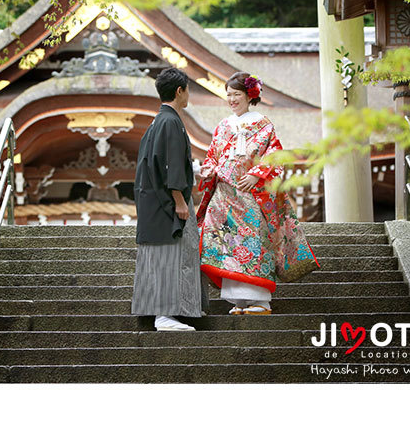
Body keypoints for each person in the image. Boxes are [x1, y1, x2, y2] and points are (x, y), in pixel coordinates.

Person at [197, 72, 318, 315]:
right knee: (226, 244)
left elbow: (275, 156)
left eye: (236, 94)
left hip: (251, 194)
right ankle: (239, 301)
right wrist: (208, 169)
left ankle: (260, 300)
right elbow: (213, 155)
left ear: (250, 95)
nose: (231, 99)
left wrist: (256, 175)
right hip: (224, 195)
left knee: (253, 241)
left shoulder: (263, 124)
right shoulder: (223, 126)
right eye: (228, 95)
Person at [132, 68, 208, 331]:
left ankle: (165, 313)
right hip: (168, 204)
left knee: (162, 256)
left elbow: (159, 162)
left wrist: (194, 170)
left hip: (153, 202)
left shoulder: (158, 121)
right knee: (172, 255)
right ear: (179, 91)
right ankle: (165, 315)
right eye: (187, 89)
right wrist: (179, 200)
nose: (189, 94)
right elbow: (171, 164)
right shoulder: (171, 122)